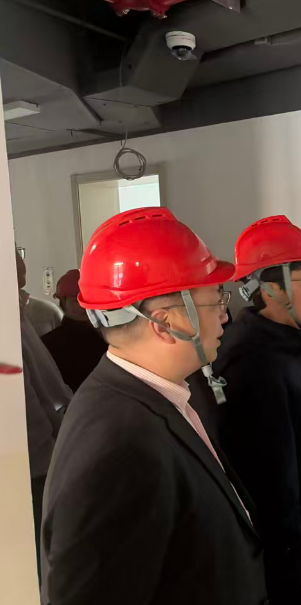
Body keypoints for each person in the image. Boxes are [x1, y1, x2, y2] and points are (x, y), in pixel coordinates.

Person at [39, 208, 267, 605]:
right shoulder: (118, 449)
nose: (225, 315)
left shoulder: (157, 395)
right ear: (165, 324)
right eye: (216, 300)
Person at [215, 215, 301, 605]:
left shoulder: (290, 345)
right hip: (289, 555)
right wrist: (298, 559)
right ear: (271, 289)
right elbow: (272, 482)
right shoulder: (255, 364)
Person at [15, 249, 71, 578]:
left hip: (47, 461)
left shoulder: (23, 313)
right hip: (34, 470)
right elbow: (31, 411)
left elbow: (49, 388)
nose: (20, 261)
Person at [41, 269, 107, 392]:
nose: (86, 307)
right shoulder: (52, 344)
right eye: (77, 301)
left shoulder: (107, 336)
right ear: (63, 302)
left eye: (91, 299)